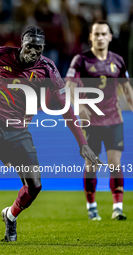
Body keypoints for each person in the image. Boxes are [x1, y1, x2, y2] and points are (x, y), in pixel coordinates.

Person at [0, 26, 101, 242]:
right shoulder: (0, 54)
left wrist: (82, 143)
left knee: (34, 186)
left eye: (38, 48)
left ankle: (10, 215)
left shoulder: (48, 69)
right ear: (21, 44)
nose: (34, 51)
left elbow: (66, 109)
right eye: (30, 46)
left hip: (18, 129)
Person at [66, 20, 133, 221]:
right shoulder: (81, 60)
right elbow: (69, 85)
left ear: (110, 37)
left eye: (104, 34)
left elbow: (127, 90)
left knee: (115, 163)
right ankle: (91, 205)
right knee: (91, 165)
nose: (100, 38)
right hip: (91, 122)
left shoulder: (118, 61)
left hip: (114, 119)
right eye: (96, 34)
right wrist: (79, 105)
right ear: (91, 37)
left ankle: (117, 207)